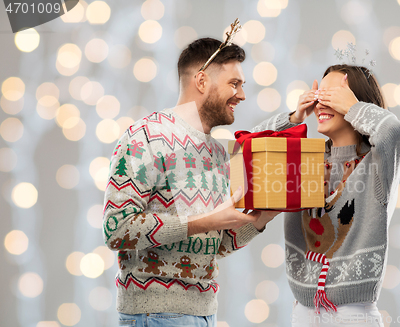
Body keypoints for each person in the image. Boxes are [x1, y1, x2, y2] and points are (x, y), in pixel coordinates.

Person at [102, 37, 296, 326]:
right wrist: (203, 221)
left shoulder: (218, 153)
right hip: (154, 315)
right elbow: (116, 229)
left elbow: (211, 245)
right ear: (202, 81)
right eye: (234, 83)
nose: (242, 95)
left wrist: (260, 218)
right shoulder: (145, 137)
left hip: (204, 314)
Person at [267, 64, 400, 326]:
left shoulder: (376, 164)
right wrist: (294, 117)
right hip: (302, 312)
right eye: (319, 95)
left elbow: (394, 131)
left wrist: (353, 108)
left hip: (353, 314)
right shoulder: (306, 160)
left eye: (333, 95)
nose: (322, 102)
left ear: (355, 101)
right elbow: (249, 151)